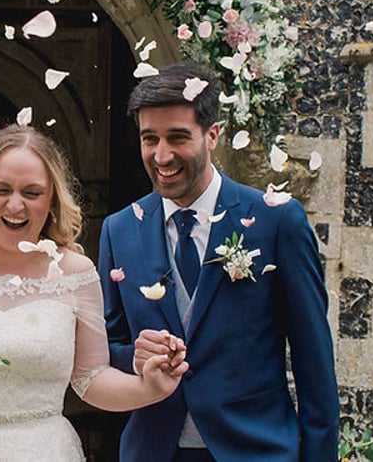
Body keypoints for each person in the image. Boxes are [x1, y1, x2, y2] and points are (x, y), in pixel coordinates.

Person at [0, 124, 189, 461]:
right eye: (1, 190)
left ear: (52, 199)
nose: (15, 205)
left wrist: (148, 387)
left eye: (32, 193)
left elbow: (91, 379)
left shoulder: (76, 273)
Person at [97, 62, 339, 461]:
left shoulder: (277, 220)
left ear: (213, 135)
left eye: (177, 137)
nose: (161, 155)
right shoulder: (119, 229)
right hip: (154, 451)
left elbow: (314, 359)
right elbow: (107, 348)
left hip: (256, 450)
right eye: (149, 139)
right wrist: (138, 358)